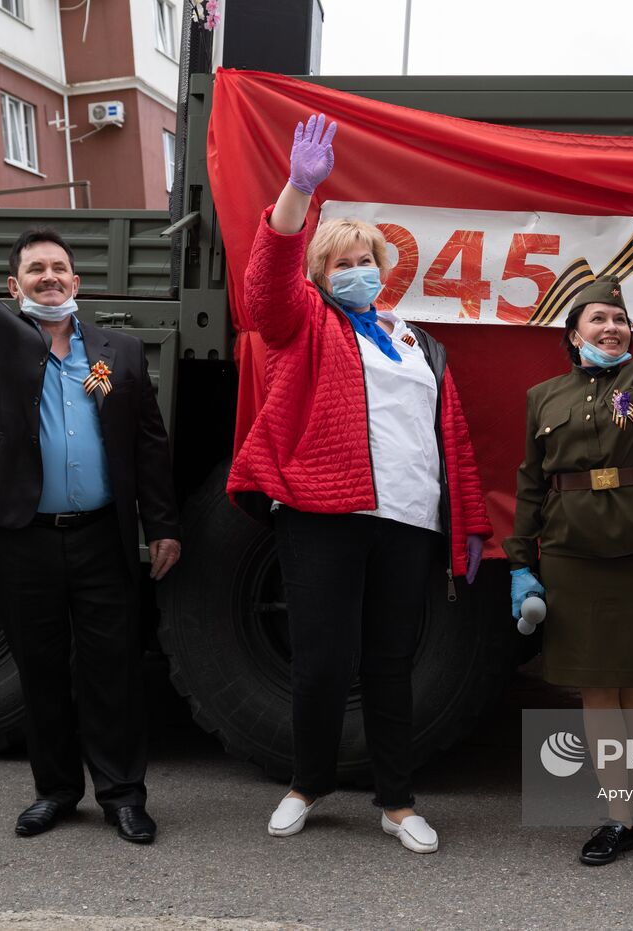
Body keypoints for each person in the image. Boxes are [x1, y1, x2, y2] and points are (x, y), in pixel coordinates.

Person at [0, 123, 182, 844]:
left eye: (59, 268)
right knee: (42, 669)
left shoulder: (116, 351)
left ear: (76, 281)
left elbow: (148, 442)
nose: (49, 278)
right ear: (14, 284)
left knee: (113, 667)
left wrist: (164, 523)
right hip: (23, 536)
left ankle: (122, 793)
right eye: (35, 271)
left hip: (102, 539)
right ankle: (57, 790)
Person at [227, 114, 493, 855]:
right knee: (320, 659)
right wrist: (296, 191)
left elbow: (452, 442)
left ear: (385, 266)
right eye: (340, 261)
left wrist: (468, 522)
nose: (356, 269)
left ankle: (397, 801)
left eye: (365, 258)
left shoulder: (417, 341)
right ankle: (306, 783)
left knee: (389, 663)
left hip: (406, 520)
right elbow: (264, 286)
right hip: (321, 513)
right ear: (320, 274)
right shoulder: (302, 320)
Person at [505, 180, 633, 866]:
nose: (612, 328)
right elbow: (531, 481)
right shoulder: (543, 397)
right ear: (573, 333)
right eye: (598, 320)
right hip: (570, 551)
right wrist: (520, 561)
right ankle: (618, 813)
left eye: (619, 321)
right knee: (596, 683)